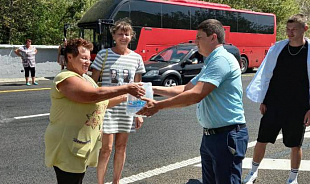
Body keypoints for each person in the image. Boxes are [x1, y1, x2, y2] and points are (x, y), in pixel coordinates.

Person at [137, 19, 248, 184]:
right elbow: (186, 88)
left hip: (226, 136)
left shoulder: (221, 60)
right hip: (212, 136)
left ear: (213, 37)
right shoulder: (210, 62)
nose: (195, 42)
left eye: (199, 37)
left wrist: (158, 106)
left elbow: (196, 95)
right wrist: (151, 89)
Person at [44, 38, 145, 184]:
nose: (88, 62)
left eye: (89, 58)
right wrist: (127, 88)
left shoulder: (85, 78)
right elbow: (93, 96)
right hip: (66, 145)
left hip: (79, 145)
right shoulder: (65, 78)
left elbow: (102, 102)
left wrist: (127, 97)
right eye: (84, 58)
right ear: (70, 57)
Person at [244, 14, 310, 184]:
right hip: (274, 104)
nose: (290, 33)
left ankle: (293, 178)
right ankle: (253, 172)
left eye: (294, 29)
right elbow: (266, 75)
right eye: (288, 29)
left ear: (305, 29)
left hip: (299, 108)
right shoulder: (278, 49)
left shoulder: (309, 52)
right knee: (261, 139)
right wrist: (263, 100)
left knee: (295, 144)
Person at [90, 19, 146, 184]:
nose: (124, 37)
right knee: (106, 149)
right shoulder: (103, 55)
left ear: (131, 37)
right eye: (120, 33)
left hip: (126, 109)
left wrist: (138, 113)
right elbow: (93, 84)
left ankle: (116, 181)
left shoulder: (136, 58)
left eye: (127, 34)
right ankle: (100, 182)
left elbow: (138, 88)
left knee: (121, 147)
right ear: (113, 35)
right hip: (107, 108)